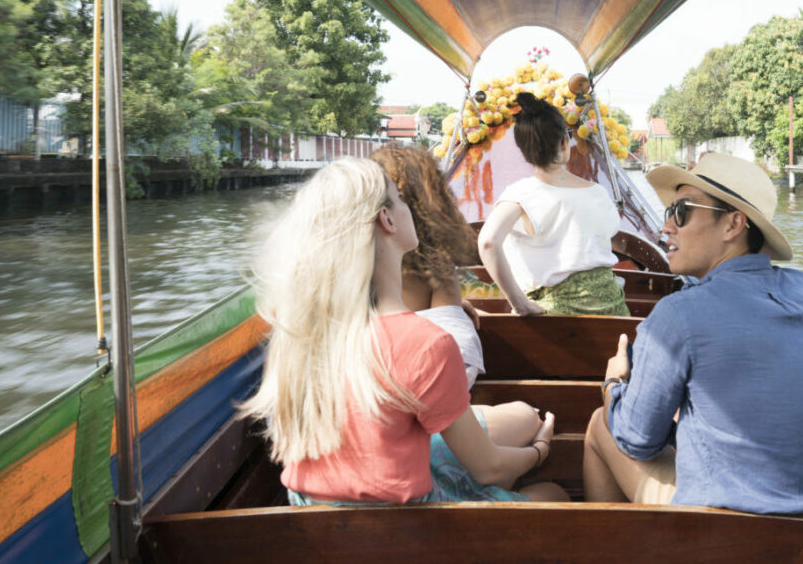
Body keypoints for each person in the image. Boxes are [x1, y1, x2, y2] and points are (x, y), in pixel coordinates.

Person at [239, 158, 566, 505]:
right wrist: (541, 451)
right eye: (400, 198)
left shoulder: (298, 332)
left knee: (512, 425)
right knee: (553, 493)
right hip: (402, 533)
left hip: (318, 521)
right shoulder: (426, 344)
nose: (408, 207)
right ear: (387, 219)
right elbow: (491, 470)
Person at [582, 153, 803, 516]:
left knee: (600, 426)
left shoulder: (679, 314)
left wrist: (613, 385)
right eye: (669, 213)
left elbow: (636, 440)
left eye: (682, 212)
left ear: (733, 225)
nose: (667, 227)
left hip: (733, 535)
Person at [371, 143, 546, 454]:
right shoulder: (437, 274)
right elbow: (456, 365)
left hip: (378, 431)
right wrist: (539, 452)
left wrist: (450, 308)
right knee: (527, 419)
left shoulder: (347, 281)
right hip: (414, 433)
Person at [478, 91, 628, 316]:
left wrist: (520, 304)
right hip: (613, 313)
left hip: (558, 319)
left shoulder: (521, 193)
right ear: (564, 142)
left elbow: (488, 242)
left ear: (524, 151)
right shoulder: (598, 193)